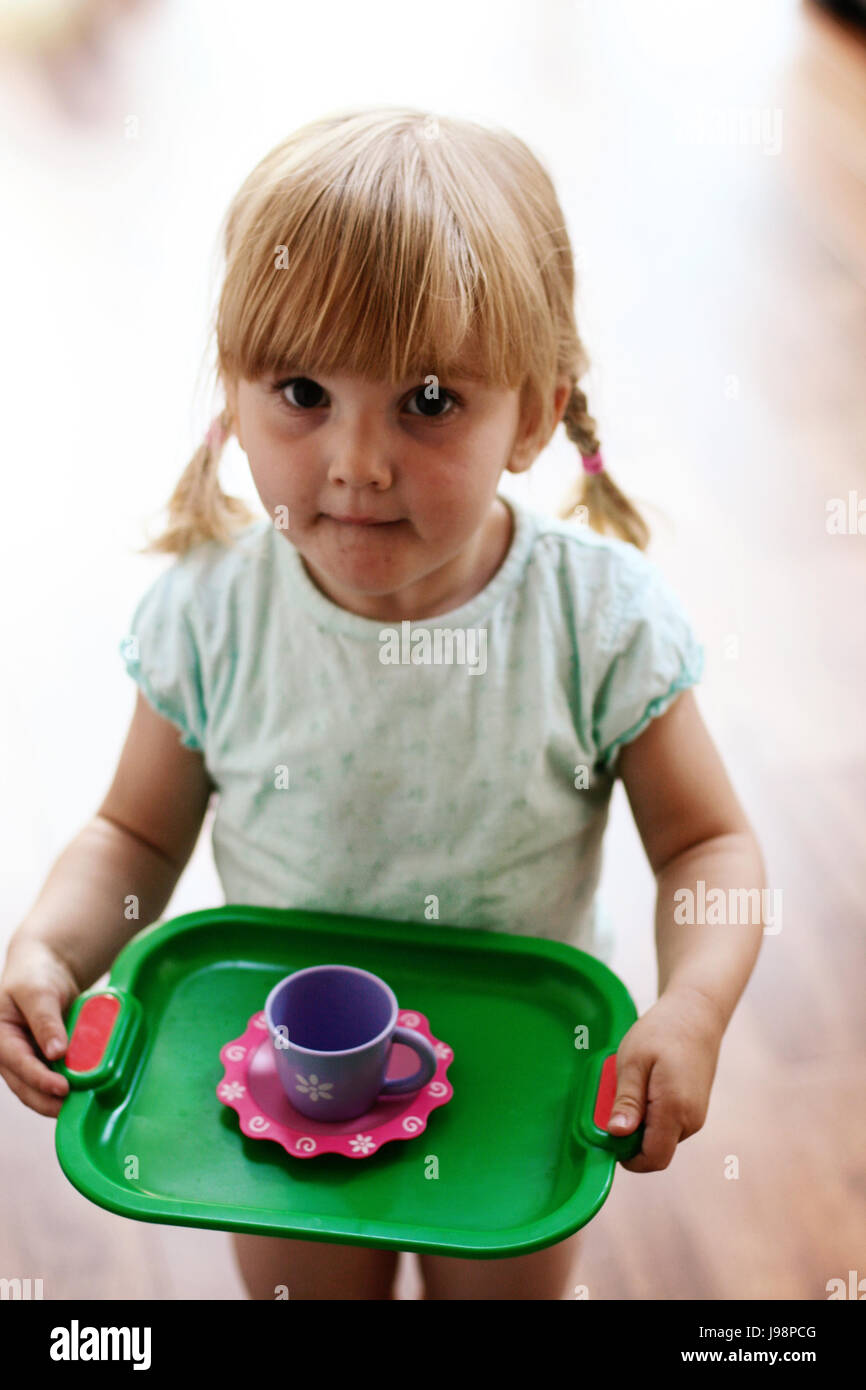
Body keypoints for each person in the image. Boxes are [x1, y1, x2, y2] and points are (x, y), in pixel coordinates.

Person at [0, 106, 766, 1300]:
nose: (356, 460)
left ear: (534, 409)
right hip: (276, 1083)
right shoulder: (214, 615)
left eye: (425, 400)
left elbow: (707, 843)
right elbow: (134, 836)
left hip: (523, 1076)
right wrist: (52, 944)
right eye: (301, 391)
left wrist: (694, 1005)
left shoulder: (596, 623)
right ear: (232, 396)